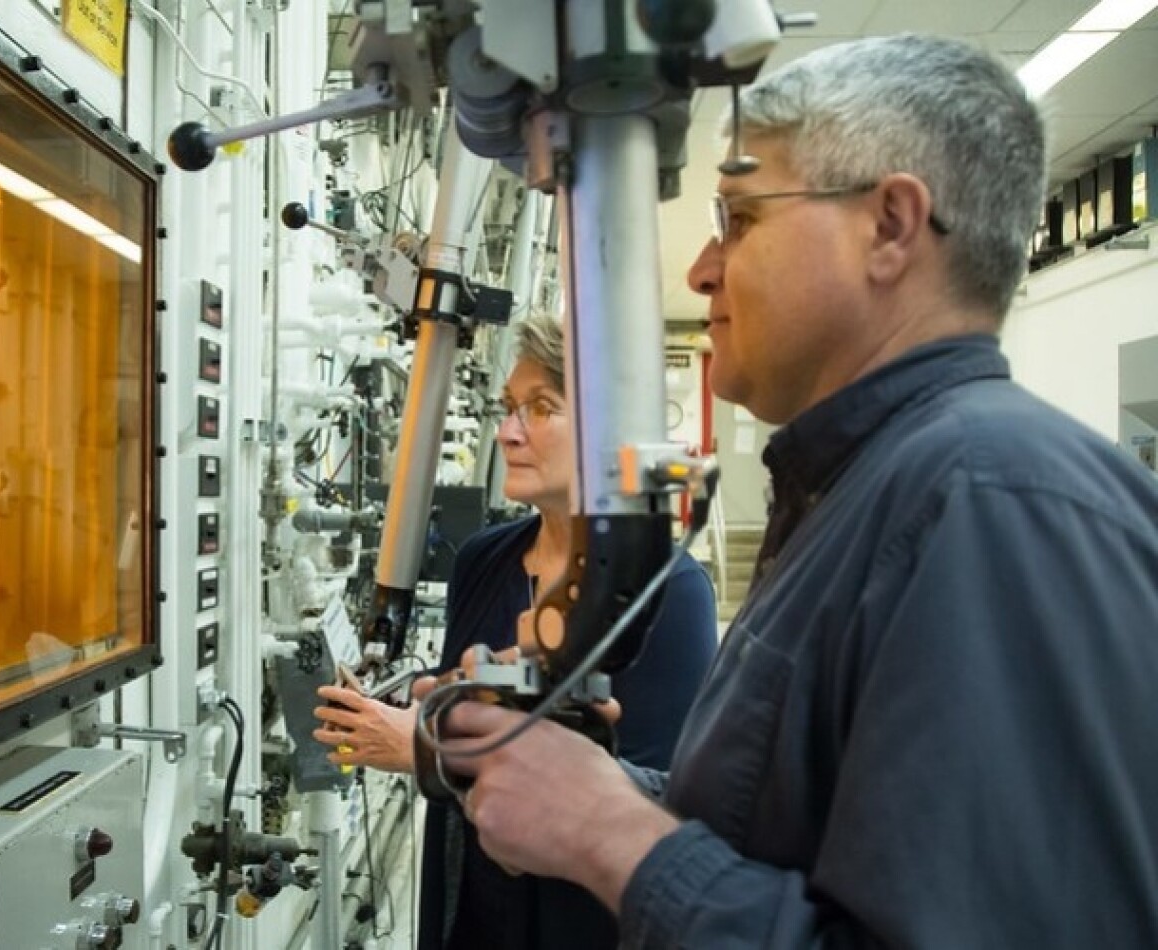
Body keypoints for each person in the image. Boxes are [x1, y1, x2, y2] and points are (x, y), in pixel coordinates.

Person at [438, 34, 1158, 948]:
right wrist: (600, 786)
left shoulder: (988, 502)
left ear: (891, 227)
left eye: (738, 217)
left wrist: (609, 837)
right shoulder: (864, 495)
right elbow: (809, 848)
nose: (703, 269)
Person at [312, 311, 718, 949]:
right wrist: (409, 693)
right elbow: (473, 694)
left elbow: (666, 799)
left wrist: (427, 750)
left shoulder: (669, 590)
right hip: (468, 912)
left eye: (540, 408)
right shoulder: (485, 559)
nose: (507, 432)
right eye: (507, 407)